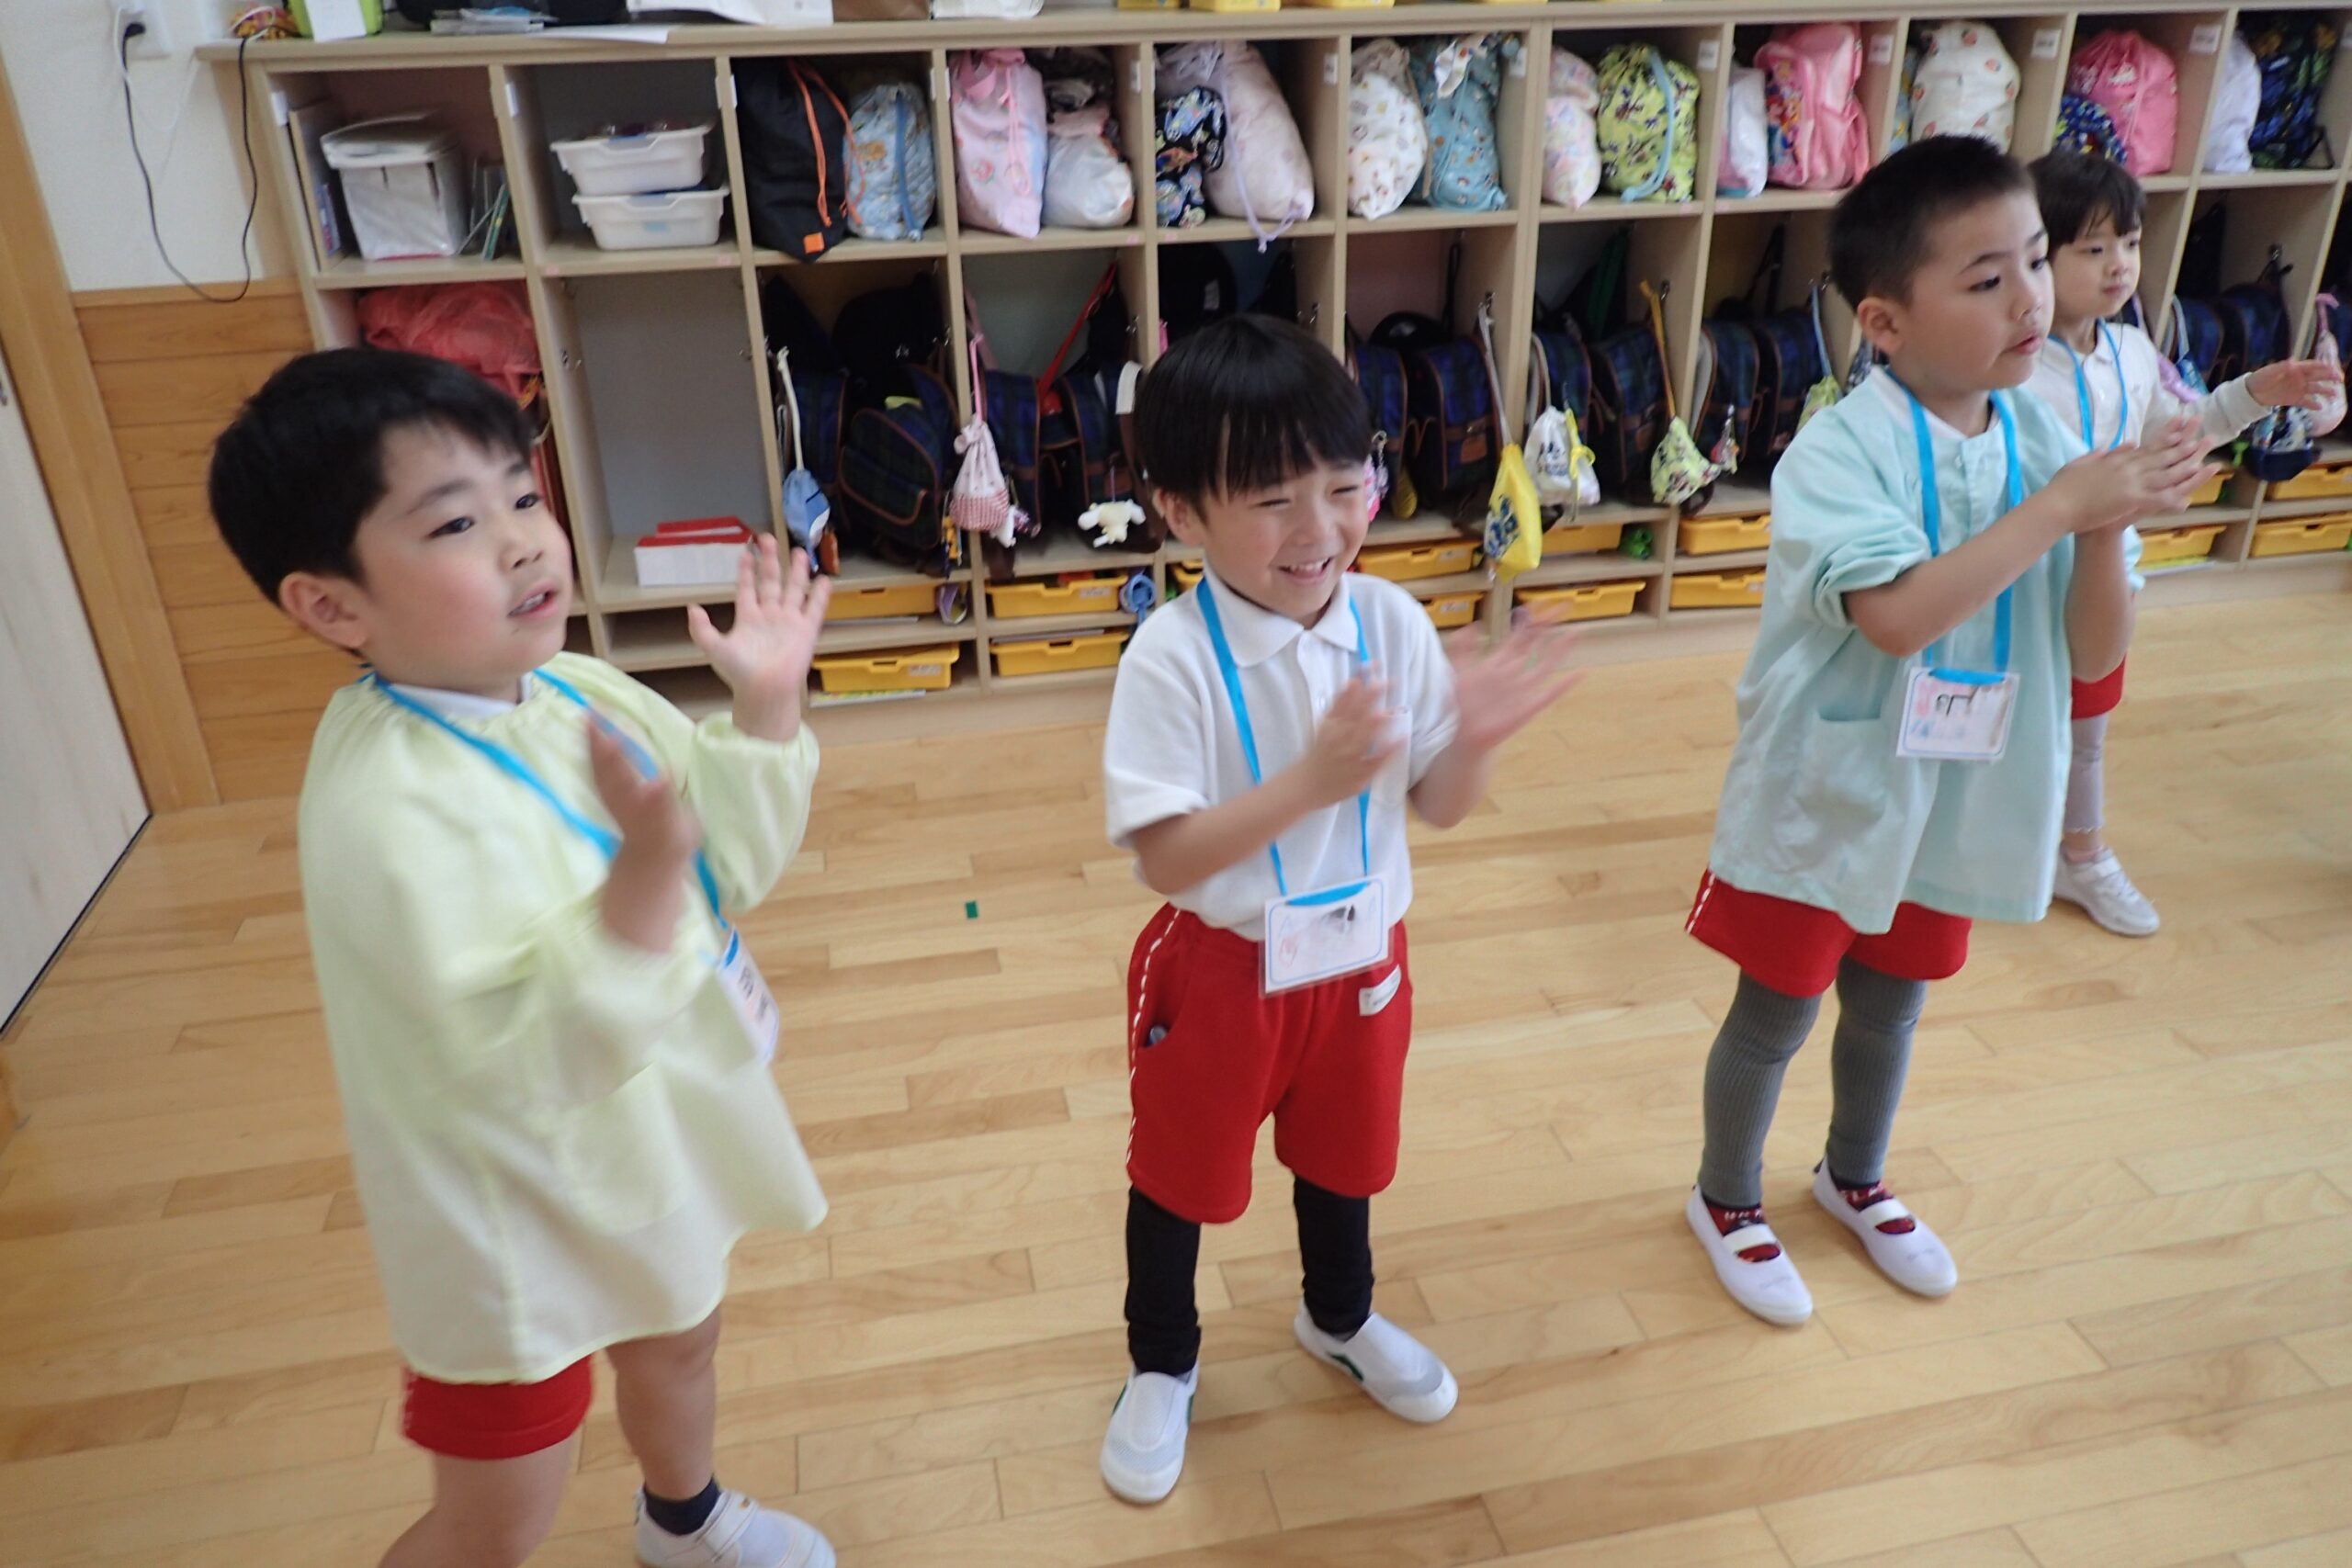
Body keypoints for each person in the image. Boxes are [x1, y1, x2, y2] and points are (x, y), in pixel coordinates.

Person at [208, 348, 837, 1568]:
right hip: (507, 1213)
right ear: (332, 606)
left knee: (679, 1341)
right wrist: (644, 877)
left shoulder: (563, 688)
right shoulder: (382, 812)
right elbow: (531, 1055)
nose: (522, 542)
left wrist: (765, 713)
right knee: (499, 1513)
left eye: (520, 495)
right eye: (456, 522)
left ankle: (684, 1518)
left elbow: (719, 866)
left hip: (646, 1137)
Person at [1682, 137, 2214, 1326]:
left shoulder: (2043, 440)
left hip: (1960, 783)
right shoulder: (1837, 450)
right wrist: (2062, 508)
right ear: (1883, 321)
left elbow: (2094, 654)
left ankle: (1853, 1175)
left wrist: (2098, 531)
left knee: (1894, 1001)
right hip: (1828, 786)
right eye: (1986, 278)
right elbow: (1896, 618)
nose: (2031, 297)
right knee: (1777, 1007)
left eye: (2033, 259)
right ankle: (1724, 1195)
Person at [1097, 315, 1579, 1502]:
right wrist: (1307, 783)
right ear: (1180, 512)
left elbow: (1439, 806)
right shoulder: (1169, 656)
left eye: (1343, 483)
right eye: (1271, 499)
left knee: (1345, 1158)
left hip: (1364, 959)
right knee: (1180, 1175)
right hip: (1223, 966)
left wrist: (1476, 739)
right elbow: (1165, 857)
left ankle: (1340, 1314)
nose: (1318, 527)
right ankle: (1162, 1360)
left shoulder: (1393, 623)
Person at [2025, 150, 2342, 935]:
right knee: (1997, 720)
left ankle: (2081, 854)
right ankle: (1984, 847)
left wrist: (2256, 392)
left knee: (2087, 726)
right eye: (2093, 248)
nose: (2119, 265)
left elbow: (2182, 429)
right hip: (2010, 582)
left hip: (2102, 582)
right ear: (2036, 255)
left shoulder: (2132, 351)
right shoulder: (2008, 365)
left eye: (2130, 243)